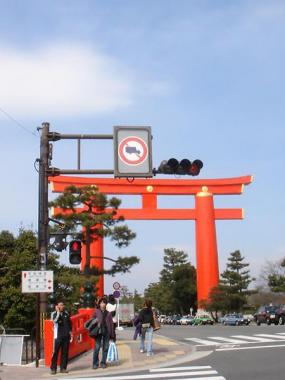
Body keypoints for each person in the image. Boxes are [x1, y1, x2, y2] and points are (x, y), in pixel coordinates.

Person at [92, 297, 115, 369]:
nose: (103, 304)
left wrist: (113, 335)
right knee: (97, 348)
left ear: (106, 304)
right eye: (101, 303)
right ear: (99, 304)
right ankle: (95, 363)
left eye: (104, 303)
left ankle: (103, 362)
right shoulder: (96, 312)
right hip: (98, 332)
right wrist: (96, 322)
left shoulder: (108, 313)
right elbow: (92, 321)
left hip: (106, 332)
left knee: (106, 348)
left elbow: (111, 324)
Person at [50, 301, 72, 375]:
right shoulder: (54, 314)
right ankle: (53, 368)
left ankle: (63, 368)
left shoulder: (66, 314)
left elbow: (69, 324)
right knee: (55, 353)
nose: (61, 306)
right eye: (59, 305)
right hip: (57, 336)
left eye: (62, 305)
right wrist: (58, 312)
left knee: (65, 353)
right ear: (57, 306)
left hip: (66, 336)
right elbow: (55, 321)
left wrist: (71, 333)